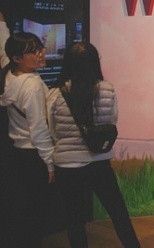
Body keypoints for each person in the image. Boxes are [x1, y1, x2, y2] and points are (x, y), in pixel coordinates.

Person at [47, 42, 140, 248]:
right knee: (118, 211)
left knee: (74, 218)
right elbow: (112, 121)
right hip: (99, 161)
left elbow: (52, 131)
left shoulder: (55, 94)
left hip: (67, 165)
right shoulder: (107, 88)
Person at [1, 32, 55, 247]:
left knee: (23, 208)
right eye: (32, 52)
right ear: (17, 58)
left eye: (40, 48)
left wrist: (2, 26)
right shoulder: (32, 85)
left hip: (17, 152)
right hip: (35, 155)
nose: (40, 54)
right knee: (36, 211)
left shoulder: (9, 75)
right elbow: (39, 128)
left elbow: (3, 51)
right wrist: (49, 163)